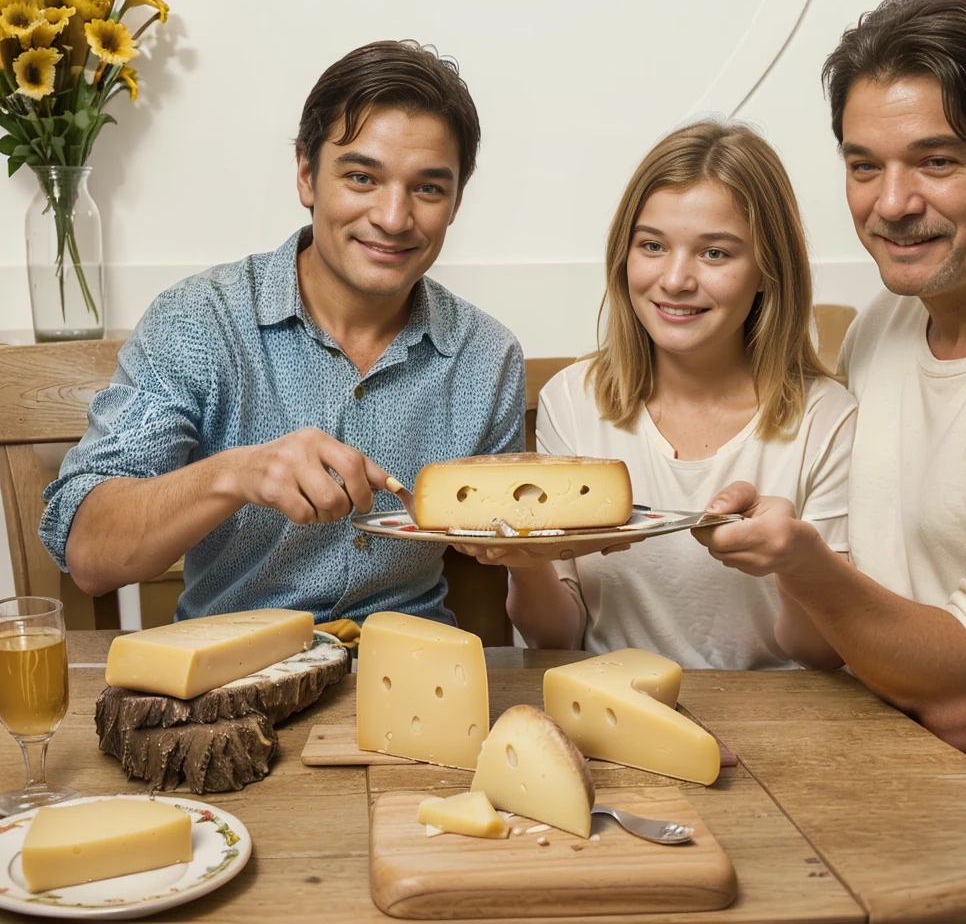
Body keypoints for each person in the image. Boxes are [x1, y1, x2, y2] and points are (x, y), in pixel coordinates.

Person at [38, 40, 525, 625]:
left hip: (414, 682)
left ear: (455, 202)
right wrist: (235, 474)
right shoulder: (199, 322)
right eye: (361, 177)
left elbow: (513, 548)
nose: (394, 218)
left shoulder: (488, 357)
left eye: (427, 188)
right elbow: (88, 553)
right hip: (231, 687)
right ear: (305, 175)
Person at [696, 0, 966, 795]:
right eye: (863, 165)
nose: (893, 204)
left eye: (937, 161)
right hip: (882, 757)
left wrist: (804, 563)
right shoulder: (886, 322)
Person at [465, 120, 856, 669]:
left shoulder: (827, 419)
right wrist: (527, 565)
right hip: (610, 710)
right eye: (652, 245)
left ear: (769, 269)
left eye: (715, 253)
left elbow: (822, 654)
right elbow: (559, 637)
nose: (674, 279)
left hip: (780, 721)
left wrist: (796, 563)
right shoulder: (573, 403)